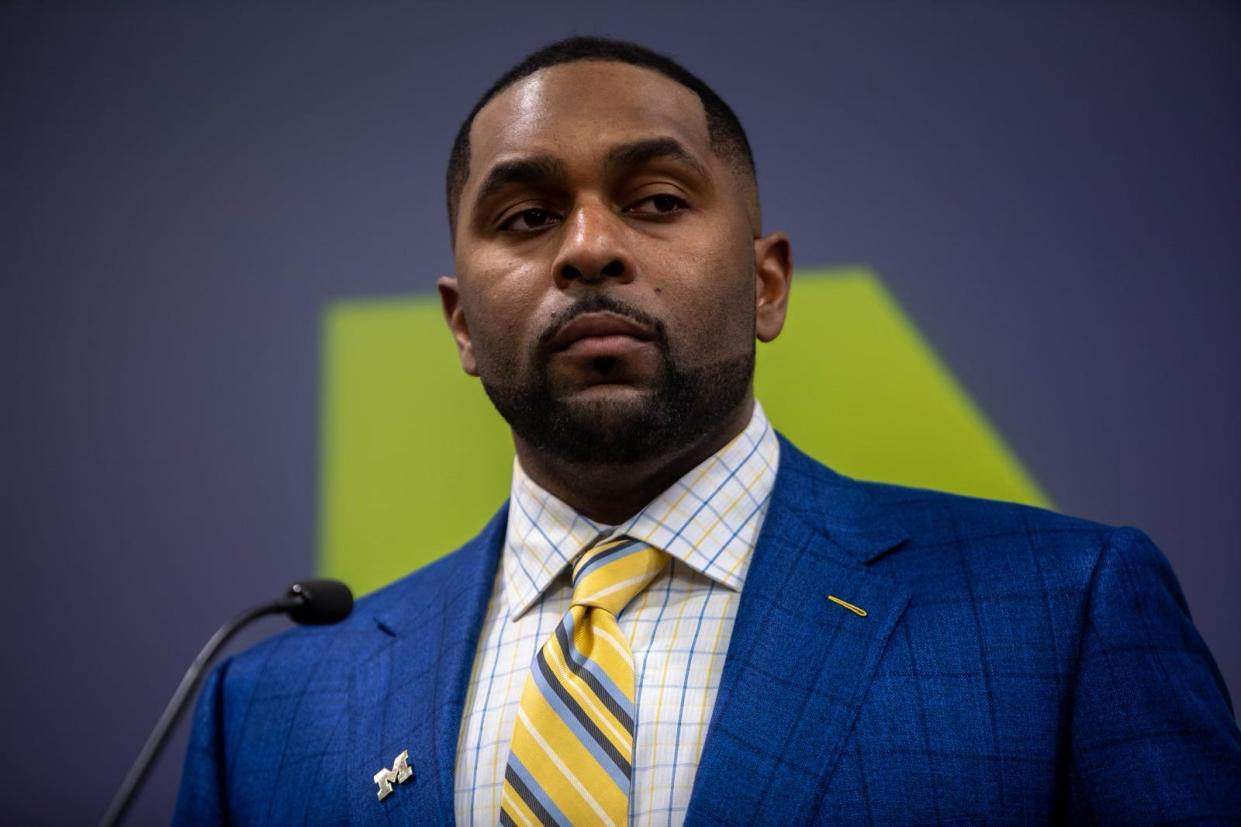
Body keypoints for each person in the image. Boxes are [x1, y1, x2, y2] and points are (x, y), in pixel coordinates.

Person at [174, 36, 1241, 825]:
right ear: (459, 323)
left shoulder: (1061, 616)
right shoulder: (268, 706)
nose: (588, 248)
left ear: (765, 284)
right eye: (527, 218)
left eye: (655, 200)